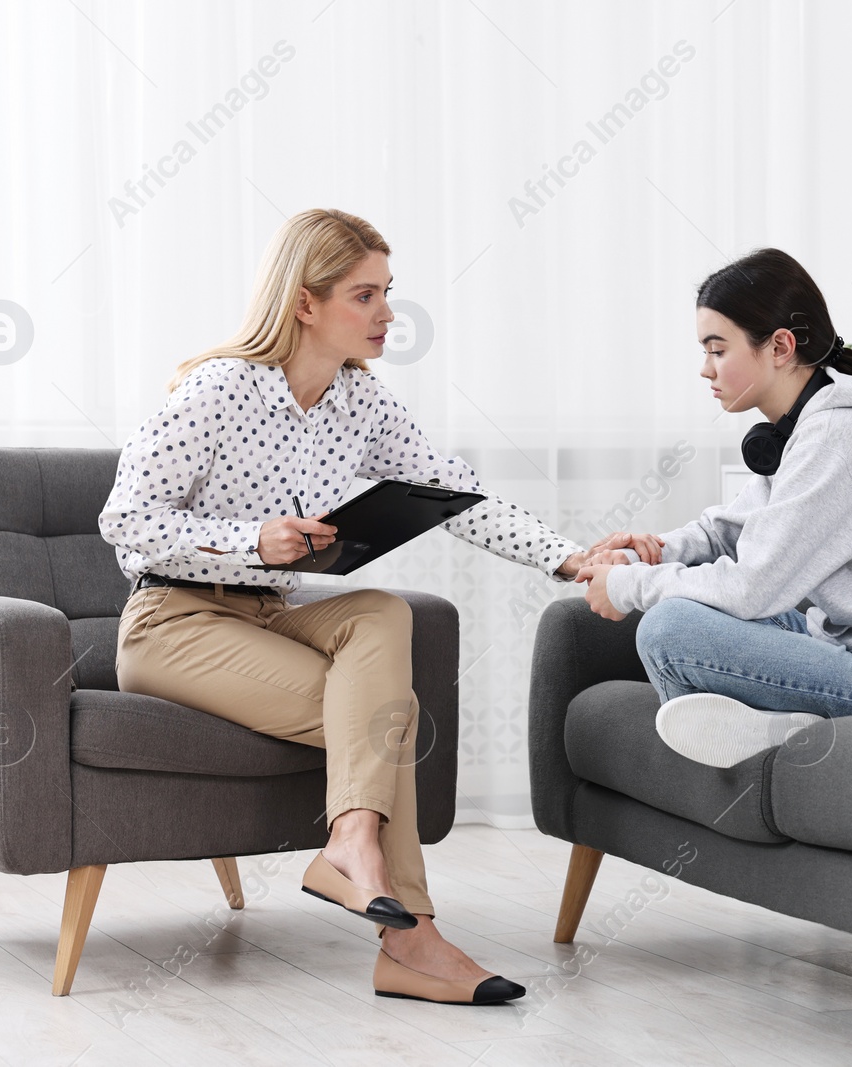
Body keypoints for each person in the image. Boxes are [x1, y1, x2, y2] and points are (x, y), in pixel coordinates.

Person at [99, 208, 624, 1005]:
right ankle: (412, 942)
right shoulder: (218, 388)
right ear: (305, 303)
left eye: (388, 293)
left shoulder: (359, 402)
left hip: (270, 612)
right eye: (365, 295)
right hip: (174, 623)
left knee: (382, 611)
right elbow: (125, 522)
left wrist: (569, 555)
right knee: (390, 714)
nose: (387, 314)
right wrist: (253, 542)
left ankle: (352, 845)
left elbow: (458, 494)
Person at [574, 248, 852, 768]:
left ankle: (764, 737)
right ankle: (769, 732)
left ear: (779, 346)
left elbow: (753, 586)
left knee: (668, 629)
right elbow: (726, 529)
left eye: (717, 349)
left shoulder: (839, 436)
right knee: (680, 613)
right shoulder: (803, 433)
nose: (705, 369)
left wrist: (627, 586)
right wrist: (648, 553)